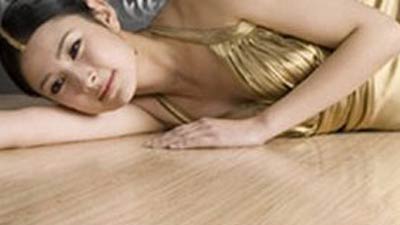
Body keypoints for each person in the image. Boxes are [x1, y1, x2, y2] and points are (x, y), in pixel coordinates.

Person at [1, 0, 400, 150]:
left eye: (75, 48)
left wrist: (260, 127)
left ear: (103, 14)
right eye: (58, 85)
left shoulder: (210, 5)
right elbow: (19, 130)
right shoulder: (150, 111)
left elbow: (382, 32)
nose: (83, 80)